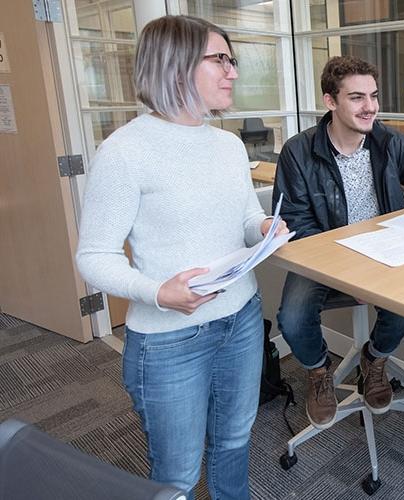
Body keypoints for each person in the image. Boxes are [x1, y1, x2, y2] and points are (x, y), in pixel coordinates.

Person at [76, 15, 287, 499]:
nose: (233, 71)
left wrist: (263, 229)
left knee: (234, 443)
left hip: (241, 318)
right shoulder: (124, 152)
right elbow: (93, 256)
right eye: (221, 60)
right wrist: (157, 292)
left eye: (231, 60)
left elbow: (240, 219)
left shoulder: (228, 145)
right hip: (169, 341)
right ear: (175, 66)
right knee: (178, 475)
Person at [274, 55, 404, 430]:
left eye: (374, 96)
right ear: (330, 101)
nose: (370, 107)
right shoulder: (298, 152)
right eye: (357, 98)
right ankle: (319, 372)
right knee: (293, 317)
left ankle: (375, 359)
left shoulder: (386, 140)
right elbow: (297, 225)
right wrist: (350, 267)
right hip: (323, 257)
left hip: (384, 253)